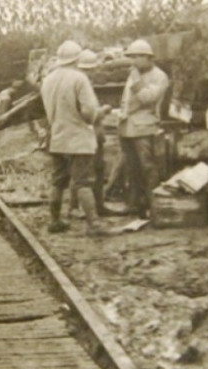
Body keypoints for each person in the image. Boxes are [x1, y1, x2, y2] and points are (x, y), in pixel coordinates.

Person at [39, 40, 106, 236]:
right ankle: (94, 224)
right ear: (77, 59)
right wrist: (101, 113)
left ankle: (54, 220)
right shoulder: (79, 79)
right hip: (78, 139)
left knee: (58, 182)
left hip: (57, 137)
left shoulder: (48, 80)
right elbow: (89, 113)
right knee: (83, 182)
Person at [117, 39, 169, 218]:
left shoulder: (159, 76)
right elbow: (126, 100)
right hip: (128, 126)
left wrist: (136, 80)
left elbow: (148, 98)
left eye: (137, 57)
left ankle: (154, 205)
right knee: (131, 168)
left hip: (145, 127)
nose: (133, 61)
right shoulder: (135, 73)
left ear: (148, 57)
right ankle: (134, 204)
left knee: (148, 167)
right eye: (131, 57)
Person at [70, 49, 117, 218]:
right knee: (81, 174)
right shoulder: (76, 85)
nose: (90, 73)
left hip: (96, 134)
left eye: (91, 70)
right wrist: (103, 111)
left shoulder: (87, 84)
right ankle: (75, 207)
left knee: (98, 170)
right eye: (87, 70)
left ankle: (99, 205)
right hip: (83, 134)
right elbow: (85, 114)